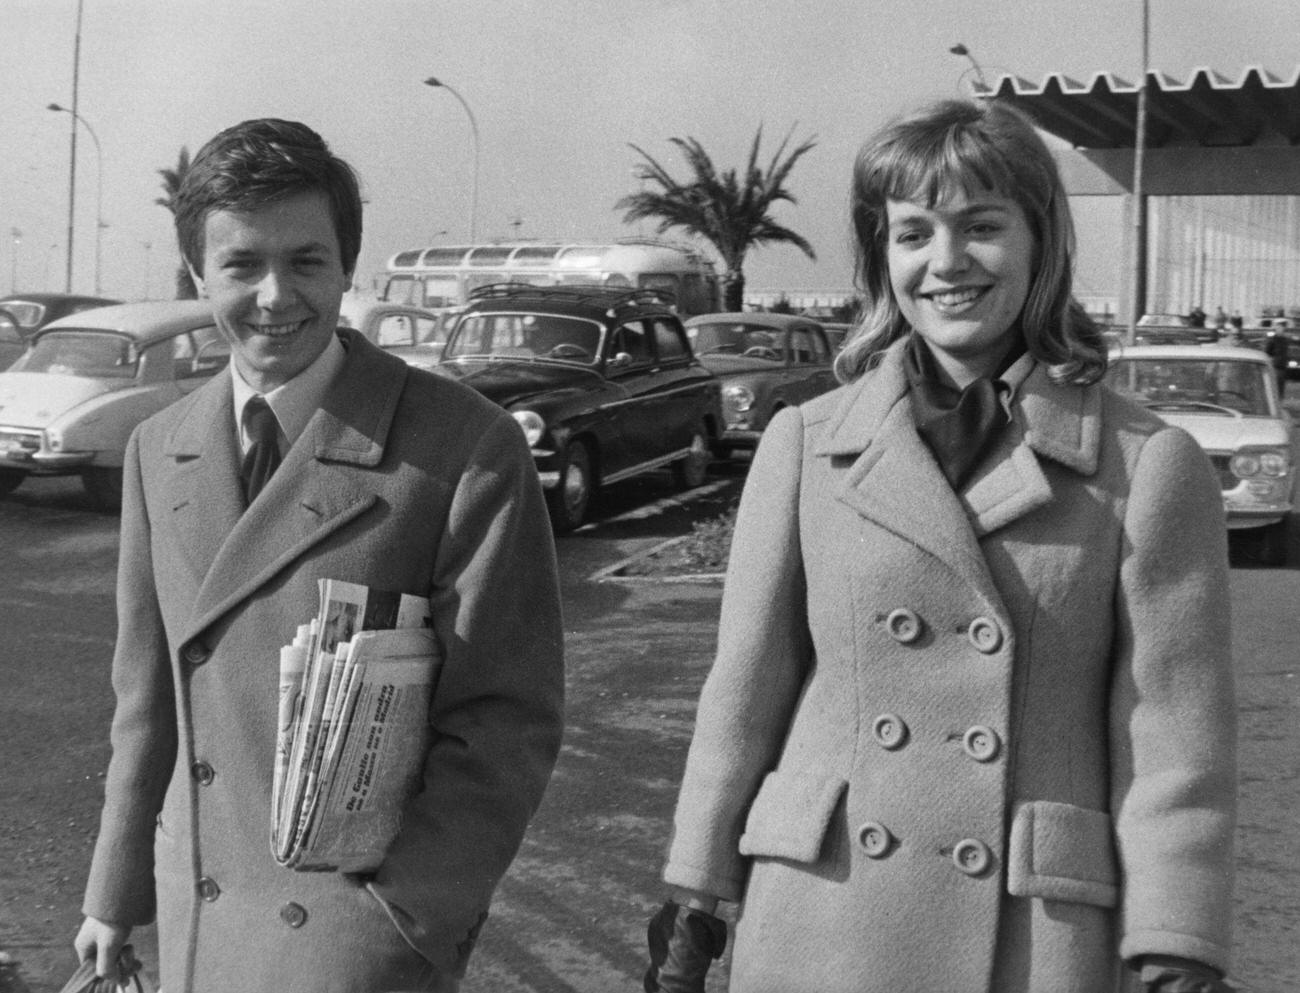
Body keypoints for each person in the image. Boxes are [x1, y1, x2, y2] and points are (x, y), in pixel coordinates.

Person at [645, 99, 1236, 993]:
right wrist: (695, 889)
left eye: (982, 226)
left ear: (1040, 242)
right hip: (821, 914)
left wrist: (1176, 938)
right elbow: (746, 689)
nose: (947, 261)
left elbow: (1174, 737)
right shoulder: (805, 443)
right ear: (883, 255)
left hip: (1032, 932)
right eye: (914, 233)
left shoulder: (1146, 465)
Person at [73, 119, 565, 993]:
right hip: (196, 922)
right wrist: (113, 894)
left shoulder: (465, 447)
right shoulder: (159, 446)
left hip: (352, 943)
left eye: (306, 261)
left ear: (347, 266)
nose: (275, 296)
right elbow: (145, 698)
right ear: (196, 272)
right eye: (241, 264)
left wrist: (404, 920)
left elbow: (503, 719)